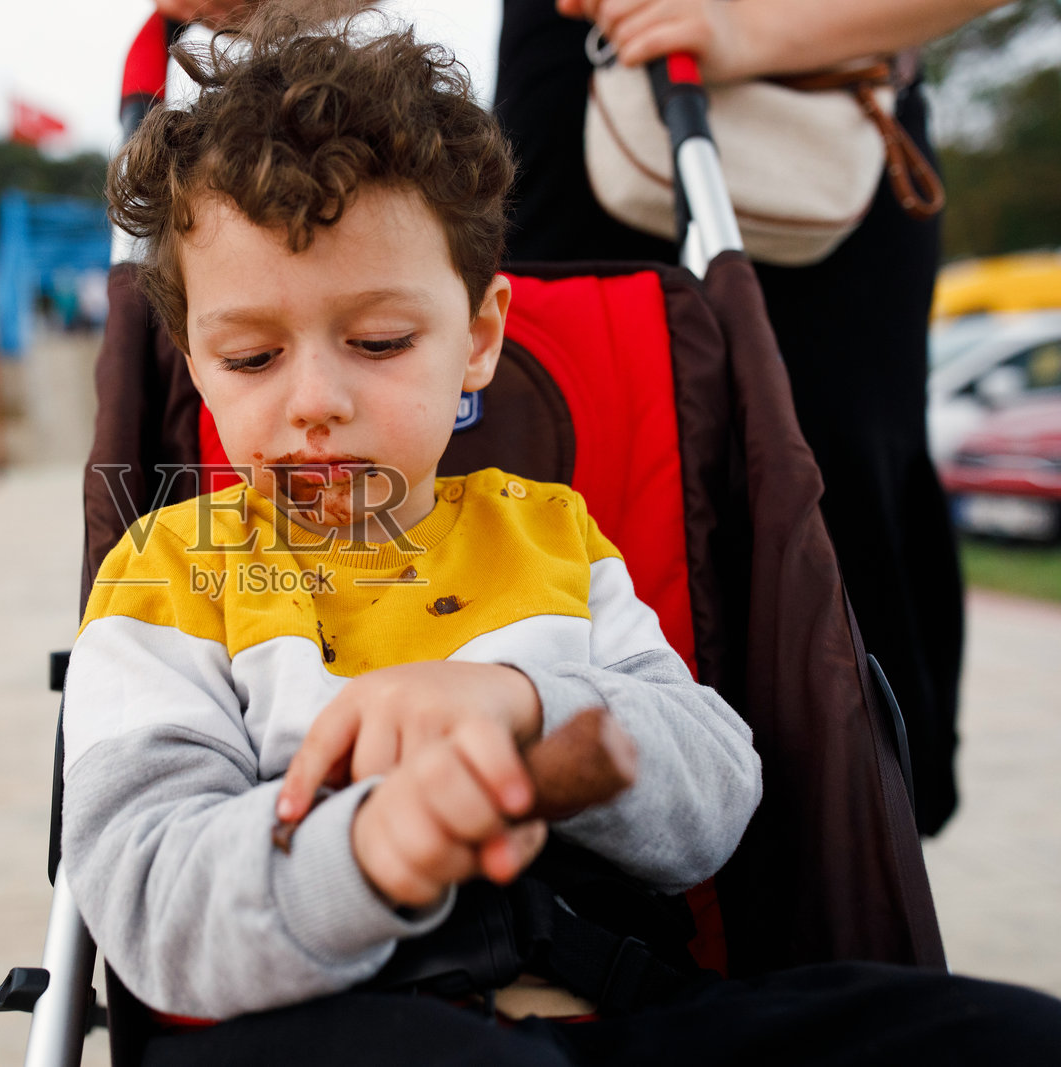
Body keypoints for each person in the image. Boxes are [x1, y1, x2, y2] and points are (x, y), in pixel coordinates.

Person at [64, 12, 1061, 1064]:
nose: (315, 400)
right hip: (344, 1019)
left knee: (999, 1036)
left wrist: (531, 704)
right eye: (253, 357)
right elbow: (148, 896)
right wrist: (364, 850)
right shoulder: (175, 574)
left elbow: (713, 792)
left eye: (378, 342)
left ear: (478, 337)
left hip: (623, 999)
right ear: (193, 360)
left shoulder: (545, 533)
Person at [494, 0, 1012, 837]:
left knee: (820, 495)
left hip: (817, 131)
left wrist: (749, 27)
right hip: (570, 122)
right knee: (563, 472)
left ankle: (851, 862)